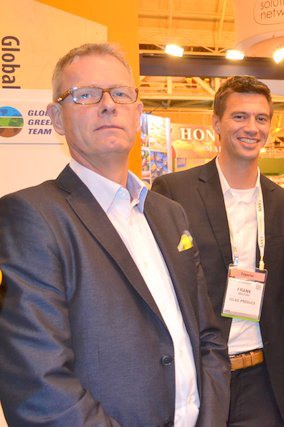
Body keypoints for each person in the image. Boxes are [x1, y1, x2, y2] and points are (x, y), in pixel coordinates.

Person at [0, 43, 229, 426]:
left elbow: (208, 337)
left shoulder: (170, 215)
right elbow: (37, 382)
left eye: (121, 94)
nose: (108, 105)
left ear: (138, 114)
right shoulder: (32, 217)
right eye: (86, 95)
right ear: (57, 117)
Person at [152, 75, 284, 426]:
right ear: (216, 123)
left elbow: (282, 302)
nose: (251, 127)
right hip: (200, 378)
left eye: (261, 118)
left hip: (262, 382)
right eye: (239, 116)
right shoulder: (174, 193)